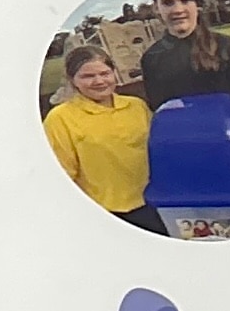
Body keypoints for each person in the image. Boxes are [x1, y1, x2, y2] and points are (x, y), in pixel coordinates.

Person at [44, 43, 157, 230]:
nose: (99, 81)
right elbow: (62, 177)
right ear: (73, 80)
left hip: (151, 205)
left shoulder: (136, 106)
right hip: (103, 214)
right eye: (88, 76)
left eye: (105, 73)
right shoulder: (60, 119)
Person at [134, 0, 230, 109]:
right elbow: (160, 110)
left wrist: (229, 119)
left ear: (198, 4)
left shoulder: (227, 47)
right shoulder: (151, 58)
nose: (178, 10)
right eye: (167, 3)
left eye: (185, 0)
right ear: (156, 8)